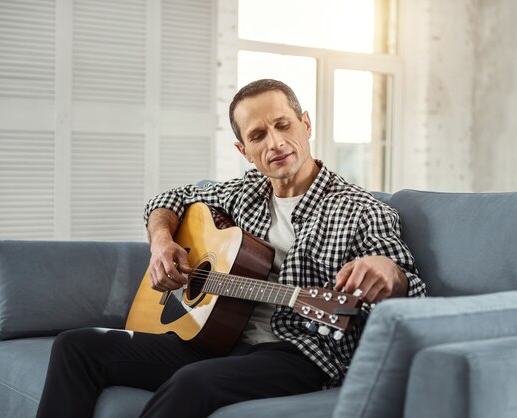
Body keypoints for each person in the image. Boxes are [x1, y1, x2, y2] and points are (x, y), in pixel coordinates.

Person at [36, 79, 426, 418]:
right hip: (215, 339)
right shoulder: (242, 193)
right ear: (244, 151)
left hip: (296, 352)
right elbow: (169, 198)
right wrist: (161, 242)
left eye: (283, 125)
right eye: (258, 135)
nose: (275, 143)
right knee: (77, 346)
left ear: (305, 124)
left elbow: (410, 286)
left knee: (193, 383)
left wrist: (389, 273)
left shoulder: (361, 210)